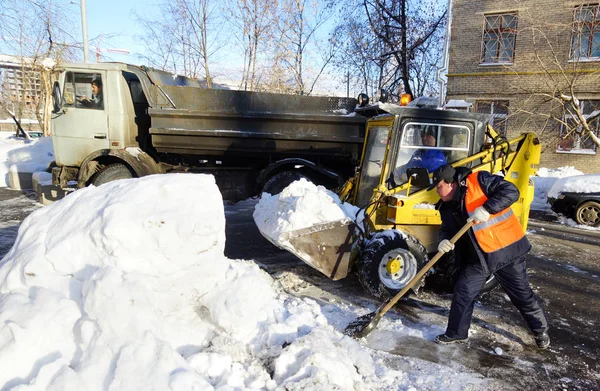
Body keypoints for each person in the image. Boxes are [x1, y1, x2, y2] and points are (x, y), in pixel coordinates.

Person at [430, 164, 550, 349]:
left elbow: (511, 191)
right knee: (463, 292)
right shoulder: (446, 206)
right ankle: (457, 334)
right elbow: (446, 228)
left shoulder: (479, 181)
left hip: (505, 252)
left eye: (439, 187)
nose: (437, 192)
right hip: (477, 258)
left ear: (451, 183)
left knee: (521, 295)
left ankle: (540, 330)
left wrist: (487, 208)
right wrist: (443, 240)